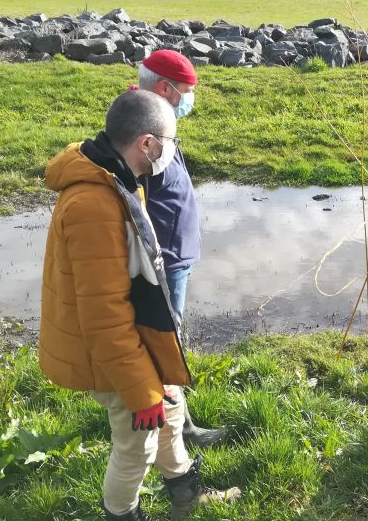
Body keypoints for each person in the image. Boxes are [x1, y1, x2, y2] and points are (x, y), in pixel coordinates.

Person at [38, 90, 240, 521]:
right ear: (146, 143)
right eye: (170, 141)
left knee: (168, 411)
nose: (173, 150)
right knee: (137, 441)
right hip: (111, 354)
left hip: (136, 337)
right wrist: (138, 389)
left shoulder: (115, 174)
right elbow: (104, 316)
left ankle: (187, 495)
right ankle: (121, 514)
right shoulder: (93, 204)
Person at [137, 49, 228, 447]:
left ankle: (172, 419)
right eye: (186, 92)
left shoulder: (158, 124)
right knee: (166, 341)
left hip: (175, 257)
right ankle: (177, 430)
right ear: (164, 88)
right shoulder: (144, 134)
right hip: (165, 261)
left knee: (170, 336)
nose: (190, 99)